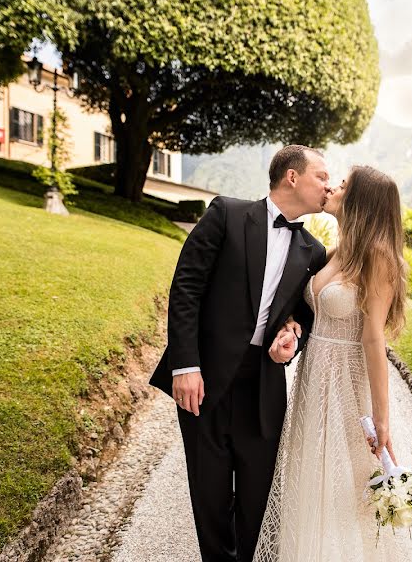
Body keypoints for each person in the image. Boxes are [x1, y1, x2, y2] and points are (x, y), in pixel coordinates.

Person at [252, 166, 412, 561]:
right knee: (313, 476)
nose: (333, 186)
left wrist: (381, 418)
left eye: (344, 185)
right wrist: (290, 326)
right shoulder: (336, 251)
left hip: (348, 388)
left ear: (363, 201)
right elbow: (311, 307)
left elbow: (373, 338)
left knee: (348, 483)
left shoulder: (379, 258)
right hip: (313, 382)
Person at [148, 145, 330, 562]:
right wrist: (185, 365)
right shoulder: (227, 214)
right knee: (210, 496)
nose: (328, 185)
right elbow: (186, 289)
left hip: (263, 384)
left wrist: (293, 338)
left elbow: (303, 315)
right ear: (292, 177)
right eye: (321, 176)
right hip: (204, 378)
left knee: (257, 498)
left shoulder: (314, 253)